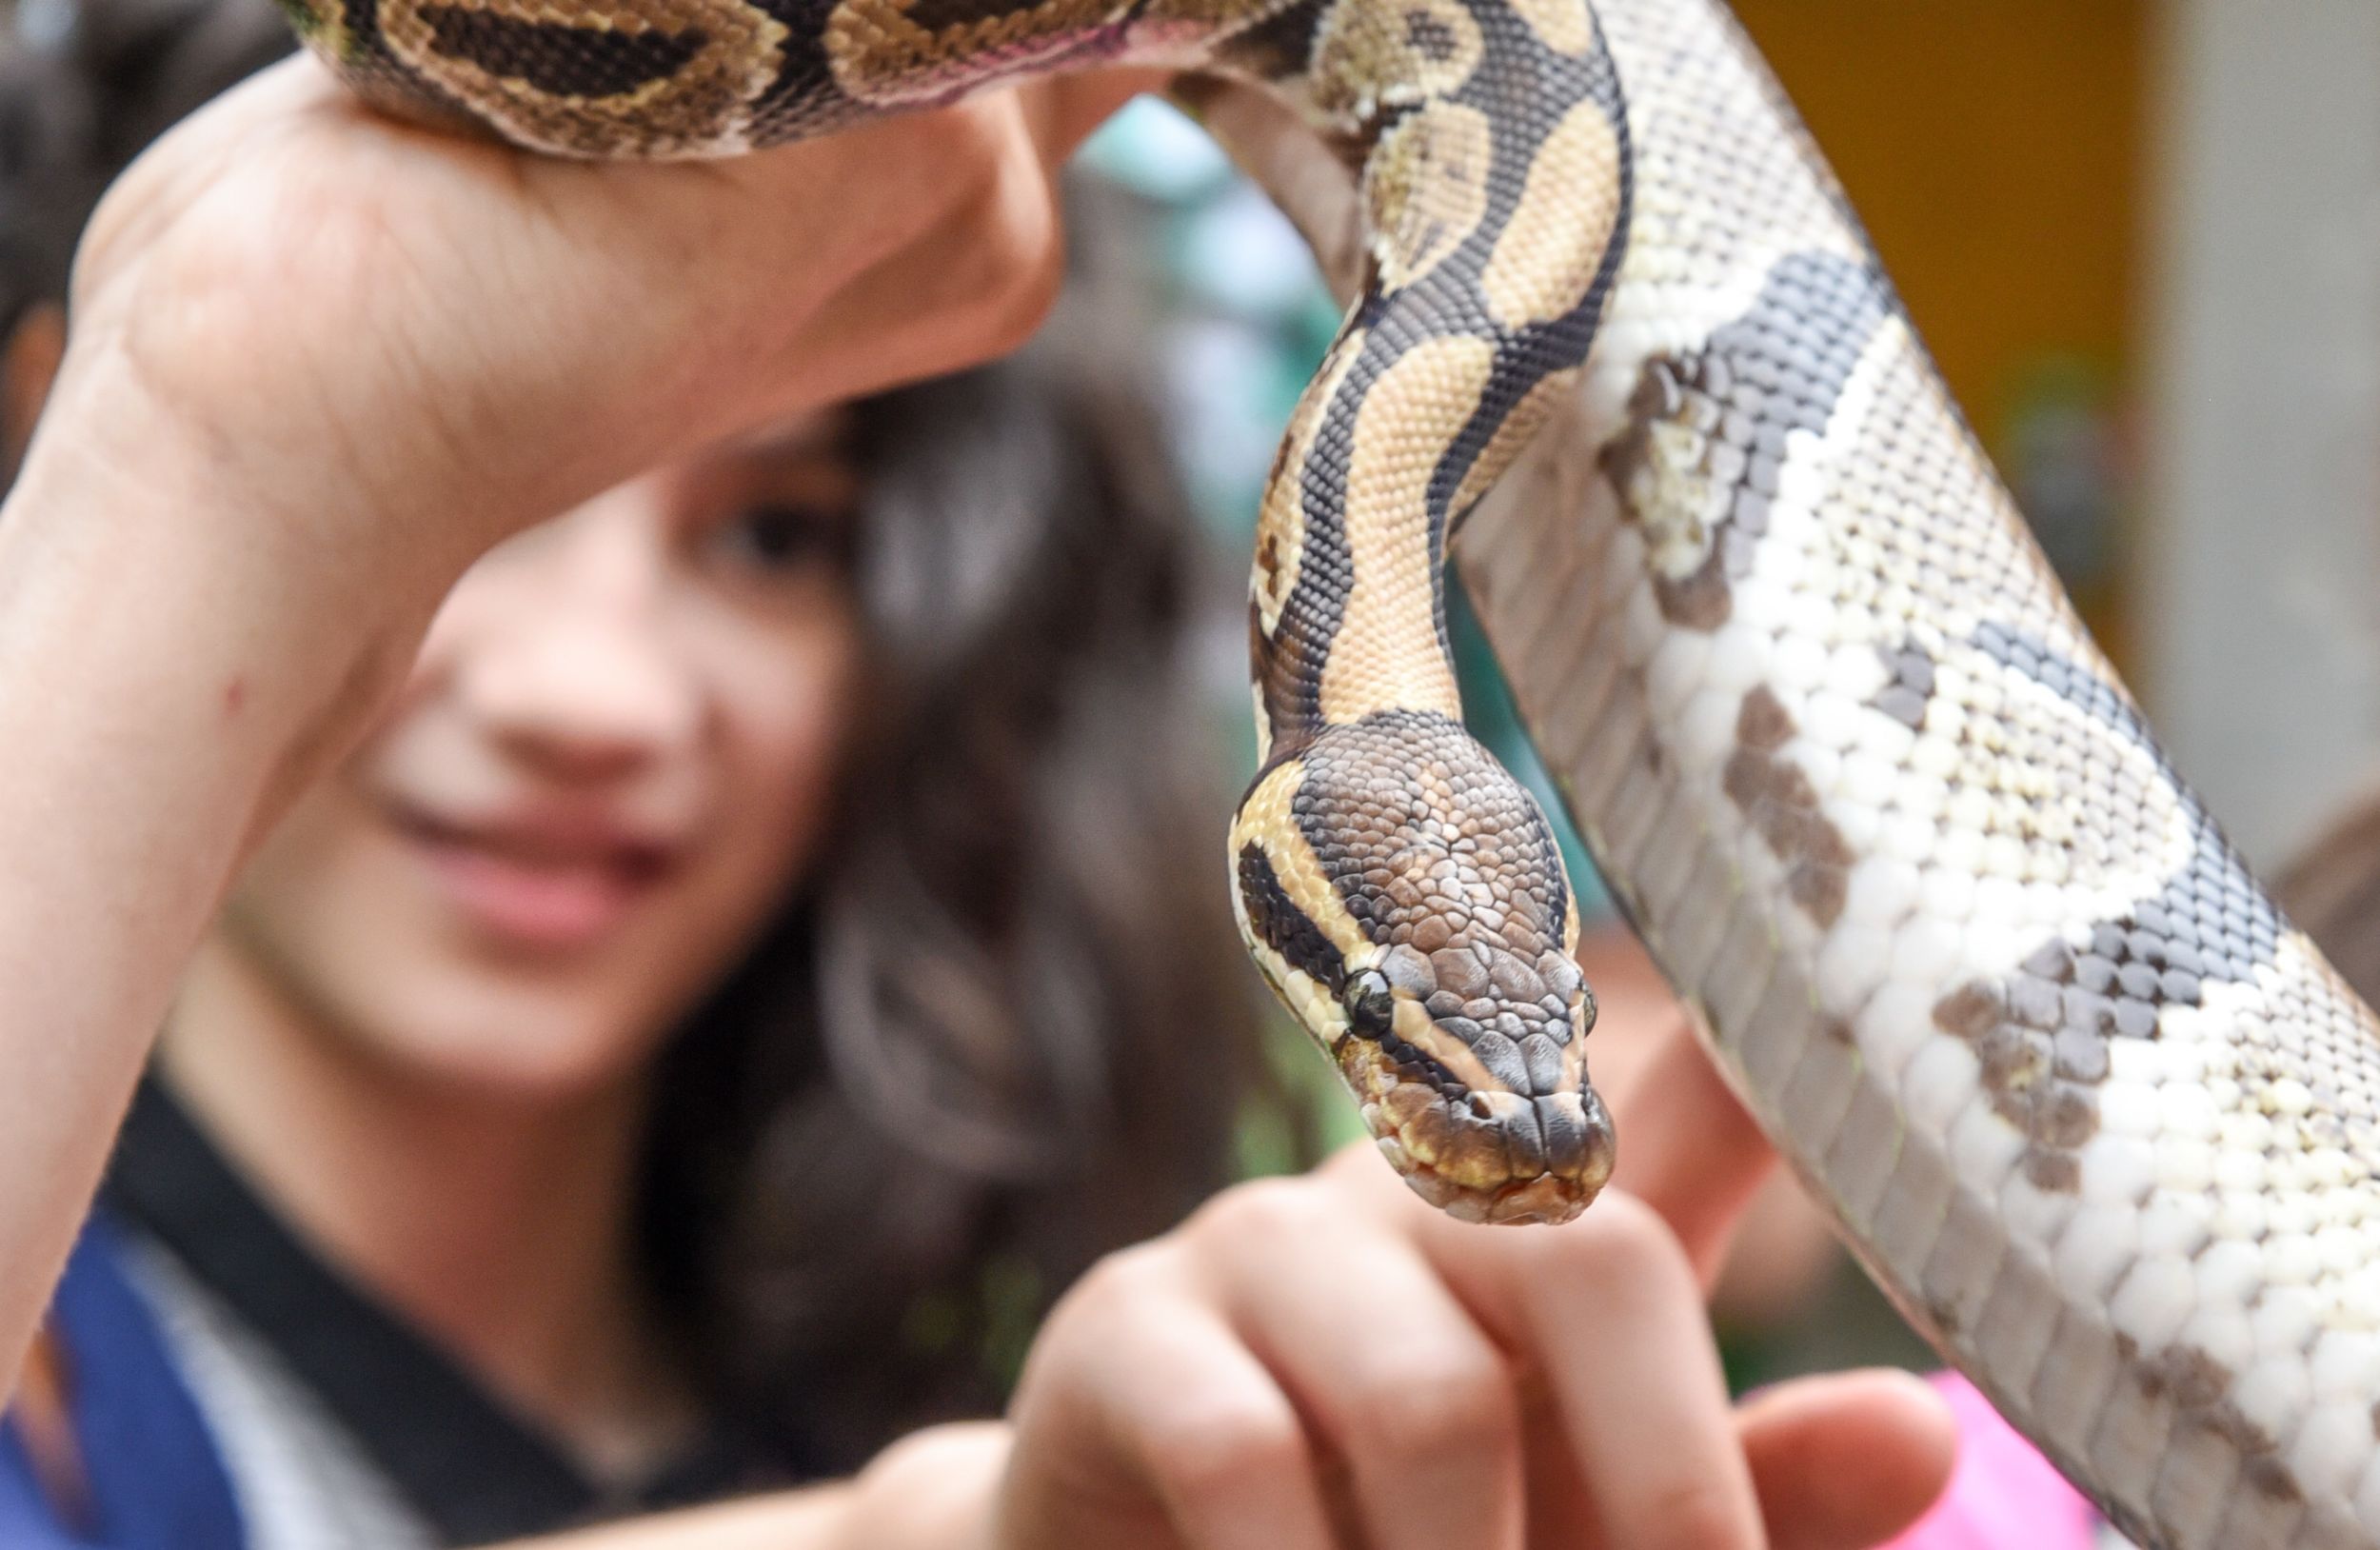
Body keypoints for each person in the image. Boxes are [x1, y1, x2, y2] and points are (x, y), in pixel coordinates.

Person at [0, 10, 1965, 1550]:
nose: (590, 697)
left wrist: (992, 1526)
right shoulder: (73, 1385)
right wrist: (207, 435)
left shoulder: (861, 1351)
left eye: (776, 540)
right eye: (487, 501)